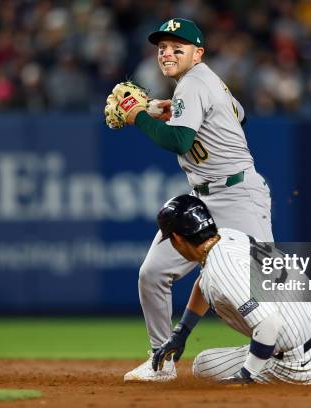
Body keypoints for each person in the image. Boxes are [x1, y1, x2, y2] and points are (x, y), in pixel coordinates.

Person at [118, 18, 274, 382]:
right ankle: (161, 361)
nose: (167, 53)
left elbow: (179, 142)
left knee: (265, 292)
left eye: (178, 47)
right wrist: (178, 109)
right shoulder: (204, 82)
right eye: (162, 48)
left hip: (239, 197)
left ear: (197, 53)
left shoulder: (193, 82)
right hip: (204, 198)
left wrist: (139, 116)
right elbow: (240, 114)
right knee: (152, 273)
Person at [150, 194, 311, 385]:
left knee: (203, 365)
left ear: (178, 239)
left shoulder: (220, 272)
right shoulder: (229, 236)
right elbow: (202, 283)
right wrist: (181, 332)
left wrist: (246, 375)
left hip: (298, 364)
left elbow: (268, 325)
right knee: (279, 317)